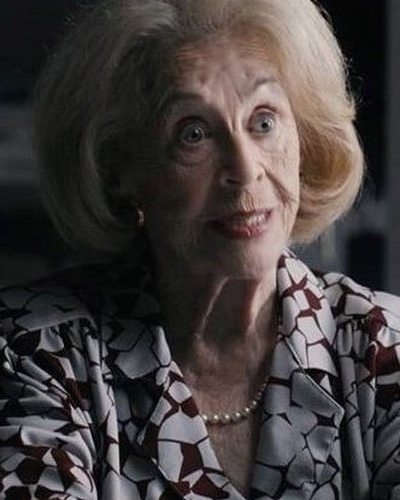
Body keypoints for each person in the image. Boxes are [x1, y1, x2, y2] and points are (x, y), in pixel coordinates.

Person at [0, 0, 399, 498]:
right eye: (194, 133)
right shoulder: (34, 354)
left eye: (264, 122)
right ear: (118, 167)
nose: (245, 169)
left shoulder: (383, 348)